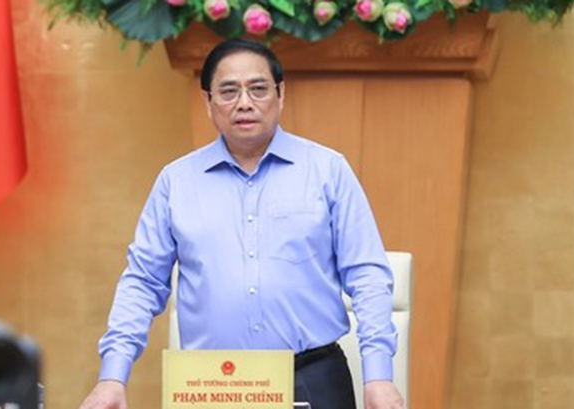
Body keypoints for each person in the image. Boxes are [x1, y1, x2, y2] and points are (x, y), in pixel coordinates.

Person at [80, 39, 404, 409]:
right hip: (212, 384)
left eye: (258, 89)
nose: (244, 103)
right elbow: (142, 282)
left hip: (312, 376)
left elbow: (367, 275)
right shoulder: (176, 181)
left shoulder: (327, 170)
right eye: (229, 91)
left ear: (281, 94)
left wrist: (379, 375)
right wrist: (112, 376)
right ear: (208, 102)